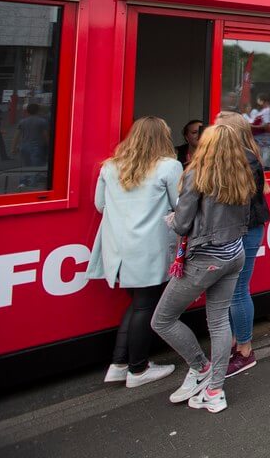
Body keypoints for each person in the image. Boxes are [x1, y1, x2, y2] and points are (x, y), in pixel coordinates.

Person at [151, 123, 254, 413]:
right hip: (234, 255)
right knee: (219, 322)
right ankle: (214, 390)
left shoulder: (197, 174)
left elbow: (183, 224)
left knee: (162, 320)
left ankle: (200, 366)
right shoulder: (242, 175)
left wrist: (171, 220)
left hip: (204, 259)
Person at [88, 117, 182, 389]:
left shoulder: (110, 167)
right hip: (150, 246)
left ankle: (119, 364)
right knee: (145, 306)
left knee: (137, 304)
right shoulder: (169, 166)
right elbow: (180, 205)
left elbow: (99, 205)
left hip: (118, 248)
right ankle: (138, 368)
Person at [213, 112, 270, 378]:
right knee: (232, 291)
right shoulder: (250, 155)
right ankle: (235, 345)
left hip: (242, 230)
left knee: (236, 291)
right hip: (244, 229)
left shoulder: (242, 159)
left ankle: (245, 351)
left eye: (217, 126)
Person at [247, 94, 270, 170]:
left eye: (259, 100)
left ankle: (265, 170)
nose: (258, 101)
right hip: (260, 135)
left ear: (262, 100)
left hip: (263, 135)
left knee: (265, 153)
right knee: (261, 153)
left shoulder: (268, 110)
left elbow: (267, 125)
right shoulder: (266, 109)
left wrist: (252, 126)